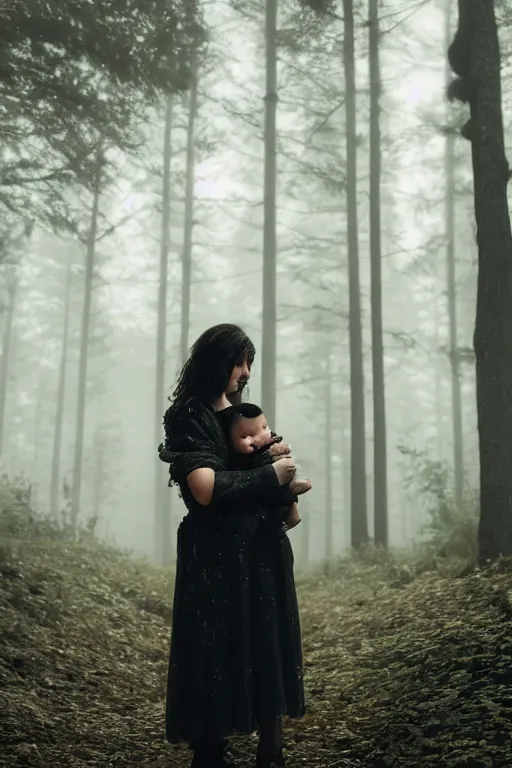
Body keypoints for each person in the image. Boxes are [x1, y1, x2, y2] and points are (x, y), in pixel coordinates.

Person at [158, 323, 308, 768]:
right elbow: (203, 489)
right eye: (237, 362)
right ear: (215, 362)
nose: (244, 372)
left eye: (249, 363)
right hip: (214, 556)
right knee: (212, 648)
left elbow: (267, 475)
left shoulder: (245, 416)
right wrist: (270, 477)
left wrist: (280, 474)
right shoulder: (188, 414)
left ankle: (272, 751)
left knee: (267, 640)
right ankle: (210, 752)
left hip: (262, 547)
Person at [217, 401, 311, 530]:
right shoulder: (236, 460)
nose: (255, 439)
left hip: (279, 482)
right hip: (261, 502)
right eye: (245, 436)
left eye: (263, 428)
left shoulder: (269, 443)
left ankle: (291, 501)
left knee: (285, 490)